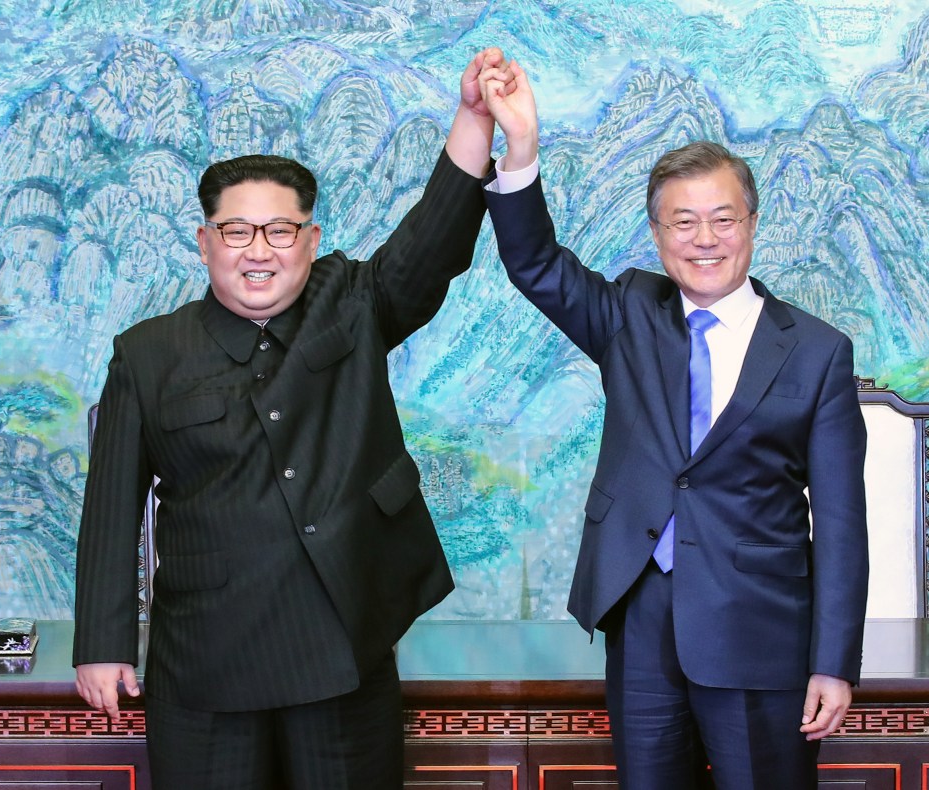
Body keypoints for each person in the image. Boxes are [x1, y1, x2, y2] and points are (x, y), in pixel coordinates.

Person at [73, 49, 513, 789]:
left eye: (280, 232)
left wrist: (473, 117)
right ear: (205, 241)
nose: (258, 252)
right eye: (237, 232)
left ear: (310, 241)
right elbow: (110, 510)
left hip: (342, 649)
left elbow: (431, 243)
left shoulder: (353, 303)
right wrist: (101, 644)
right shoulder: (147, 354)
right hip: (204, 662)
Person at [479, 63, 869, 789]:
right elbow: (533, 262)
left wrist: (834, 662)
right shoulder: (630, 314)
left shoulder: (817, 352)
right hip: (643, 617)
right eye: (682, 221)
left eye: (723, 219)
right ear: (657, 233)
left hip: (762, 631)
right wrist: (523, 146)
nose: (705, 239)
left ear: (752, 224)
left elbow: (843, 523)